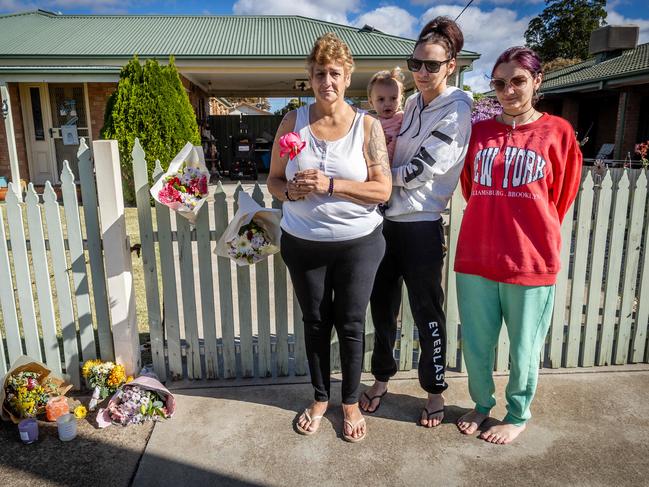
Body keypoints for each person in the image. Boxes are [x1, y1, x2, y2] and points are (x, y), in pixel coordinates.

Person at [267, 32, 392, 442]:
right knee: (316, 323)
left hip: (359, 244)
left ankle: (351, 402)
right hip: (303, 243)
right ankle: (321, 398)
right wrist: (291, 191)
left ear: (348, 75)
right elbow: (273, 181)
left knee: (352, 325)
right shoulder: (292, 121)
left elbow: (382, 190)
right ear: (310, 75)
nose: (327, 82)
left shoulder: (367, 126)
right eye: (320, 73)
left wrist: (330, 184)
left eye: (335, 73)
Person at [454, 46, 582, 444]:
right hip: (476, 255)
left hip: (530, 260)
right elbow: (470, 187)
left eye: (518, 81)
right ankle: (480, 404)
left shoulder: (558, 132)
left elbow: (561, 194)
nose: (508, 90)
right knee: (476, 344)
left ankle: (517, 413)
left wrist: (531, 229)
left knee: (524, 347)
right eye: (499, 83)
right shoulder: (479, 133)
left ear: (536, 81)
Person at [360, 16, 472, 428]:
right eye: (416, 64)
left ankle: (435, 390)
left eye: (432, 65)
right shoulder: (409, 104)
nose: (422, 73)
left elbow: (422, 168)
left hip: (422, 226)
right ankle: (381, 379)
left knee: (427, 312)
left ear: (451, 65)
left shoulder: (457, 107)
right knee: (382, 309)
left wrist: (376, 178)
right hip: (387, 222)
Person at [367, 67, 405, 163]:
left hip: (401, 167)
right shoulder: (370, 122)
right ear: (371, 102)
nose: (387, 103)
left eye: (393, 98)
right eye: (381, 99)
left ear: (401, 99)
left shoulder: (404, 118)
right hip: (378, 167)